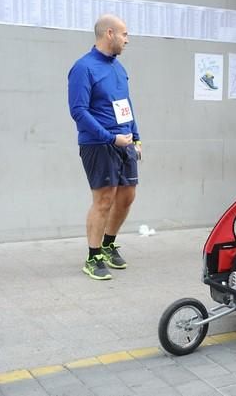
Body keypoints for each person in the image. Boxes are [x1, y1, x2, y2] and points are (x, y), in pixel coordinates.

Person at [68, 14, 141, 281]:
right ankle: (93, 255)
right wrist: (110, 138)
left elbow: (126, 104)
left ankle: (109, 243)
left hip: (125, 142)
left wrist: (136, 136)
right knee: (104, 200)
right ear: (109, 33)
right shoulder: (83, 68)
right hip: (99, 144)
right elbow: (78, 111)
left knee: (127, 196)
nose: (127, 40)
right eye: (124, 34)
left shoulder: (118, 68)